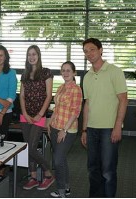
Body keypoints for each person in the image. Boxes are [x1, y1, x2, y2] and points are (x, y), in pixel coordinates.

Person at [81, 38, 128, 197]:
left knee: (108, 170)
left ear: (101, 50)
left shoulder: (115, 71)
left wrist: (117, 126)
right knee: (93, 169)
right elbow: (87, 104)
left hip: (109, 129)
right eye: (86, 51)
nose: (89, 54)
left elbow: (123, 100)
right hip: (92, 129)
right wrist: (84, 130)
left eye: (92, 49)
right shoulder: (87, 76)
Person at [20, 45, 54, 191]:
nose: (32, 57)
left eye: (34, 54)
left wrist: (40, 114)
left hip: (39, 115)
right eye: (29, 55)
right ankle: (33, 177)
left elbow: (49, 95)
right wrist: (26, 114)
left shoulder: (46, 72)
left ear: (38, 56)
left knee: (32, 147)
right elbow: (21, 96)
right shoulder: (25, 74)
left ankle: (48, 173)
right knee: (28, 147)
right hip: (25, 116)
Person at [47, 61, 83, 198]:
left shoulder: (76, 89)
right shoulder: (61, 87)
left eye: (68, 70)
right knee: (61, 160)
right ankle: (66, 187)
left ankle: (61, 191)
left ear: (74, 73)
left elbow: (75, 112)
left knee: (57, 160)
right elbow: (56, 107)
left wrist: (64, 130)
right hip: (55, 127)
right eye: (63, 70)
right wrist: (50, 122)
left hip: (68, 130)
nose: (65, 73)